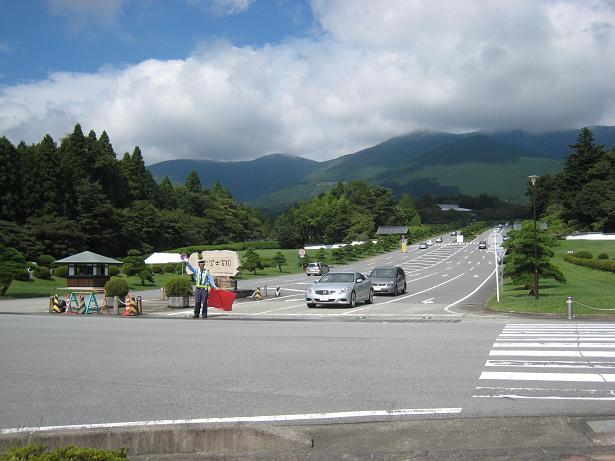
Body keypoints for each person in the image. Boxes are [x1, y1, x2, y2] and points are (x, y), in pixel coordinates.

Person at [181, 254, 217, 319]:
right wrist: (186, 261)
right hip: (198, 289)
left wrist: (215, 287)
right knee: (197, 302)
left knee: (204, 302)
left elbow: (210, 280)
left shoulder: (206, 272)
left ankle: (204, 314)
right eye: (200, 265)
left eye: (203, 265)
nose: (202, 266)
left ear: (204, 265)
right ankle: (196, 314)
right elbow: (190, 267)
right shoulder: (196, 271)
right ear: (199, 265)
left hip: (204, 289)